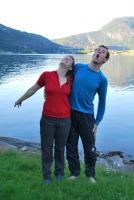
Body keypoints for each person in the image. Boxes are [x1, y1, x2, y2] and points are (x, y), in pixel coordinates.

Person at [14, 55, 74, 184]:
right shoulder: (46, 75)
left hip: (65, 120)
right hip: (48, 119)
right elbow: (34, 89)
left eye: (69, 60)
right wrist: (21, 99)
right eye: (65, 58)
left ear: (70, 67)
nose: (66, 59)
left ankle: (59, 173)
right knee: (46, 148)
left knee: (60, 148)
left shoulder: (72, 80)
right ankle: (46, 176)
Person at [66, 45, 110, 183]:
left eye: (103, 52)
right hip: (70, 113)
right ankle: (74, 173)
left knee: (89, 148)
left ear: (105, 60)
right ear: (93, 53)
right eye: (97, 50)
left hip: (87, 117)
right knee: (71, 145)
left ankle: (90, 175)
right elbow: (64, 79)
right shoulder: (78, 67)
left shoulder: (102, 80)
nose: (99, 52)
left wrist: (97, 122)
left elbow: (102, 103)